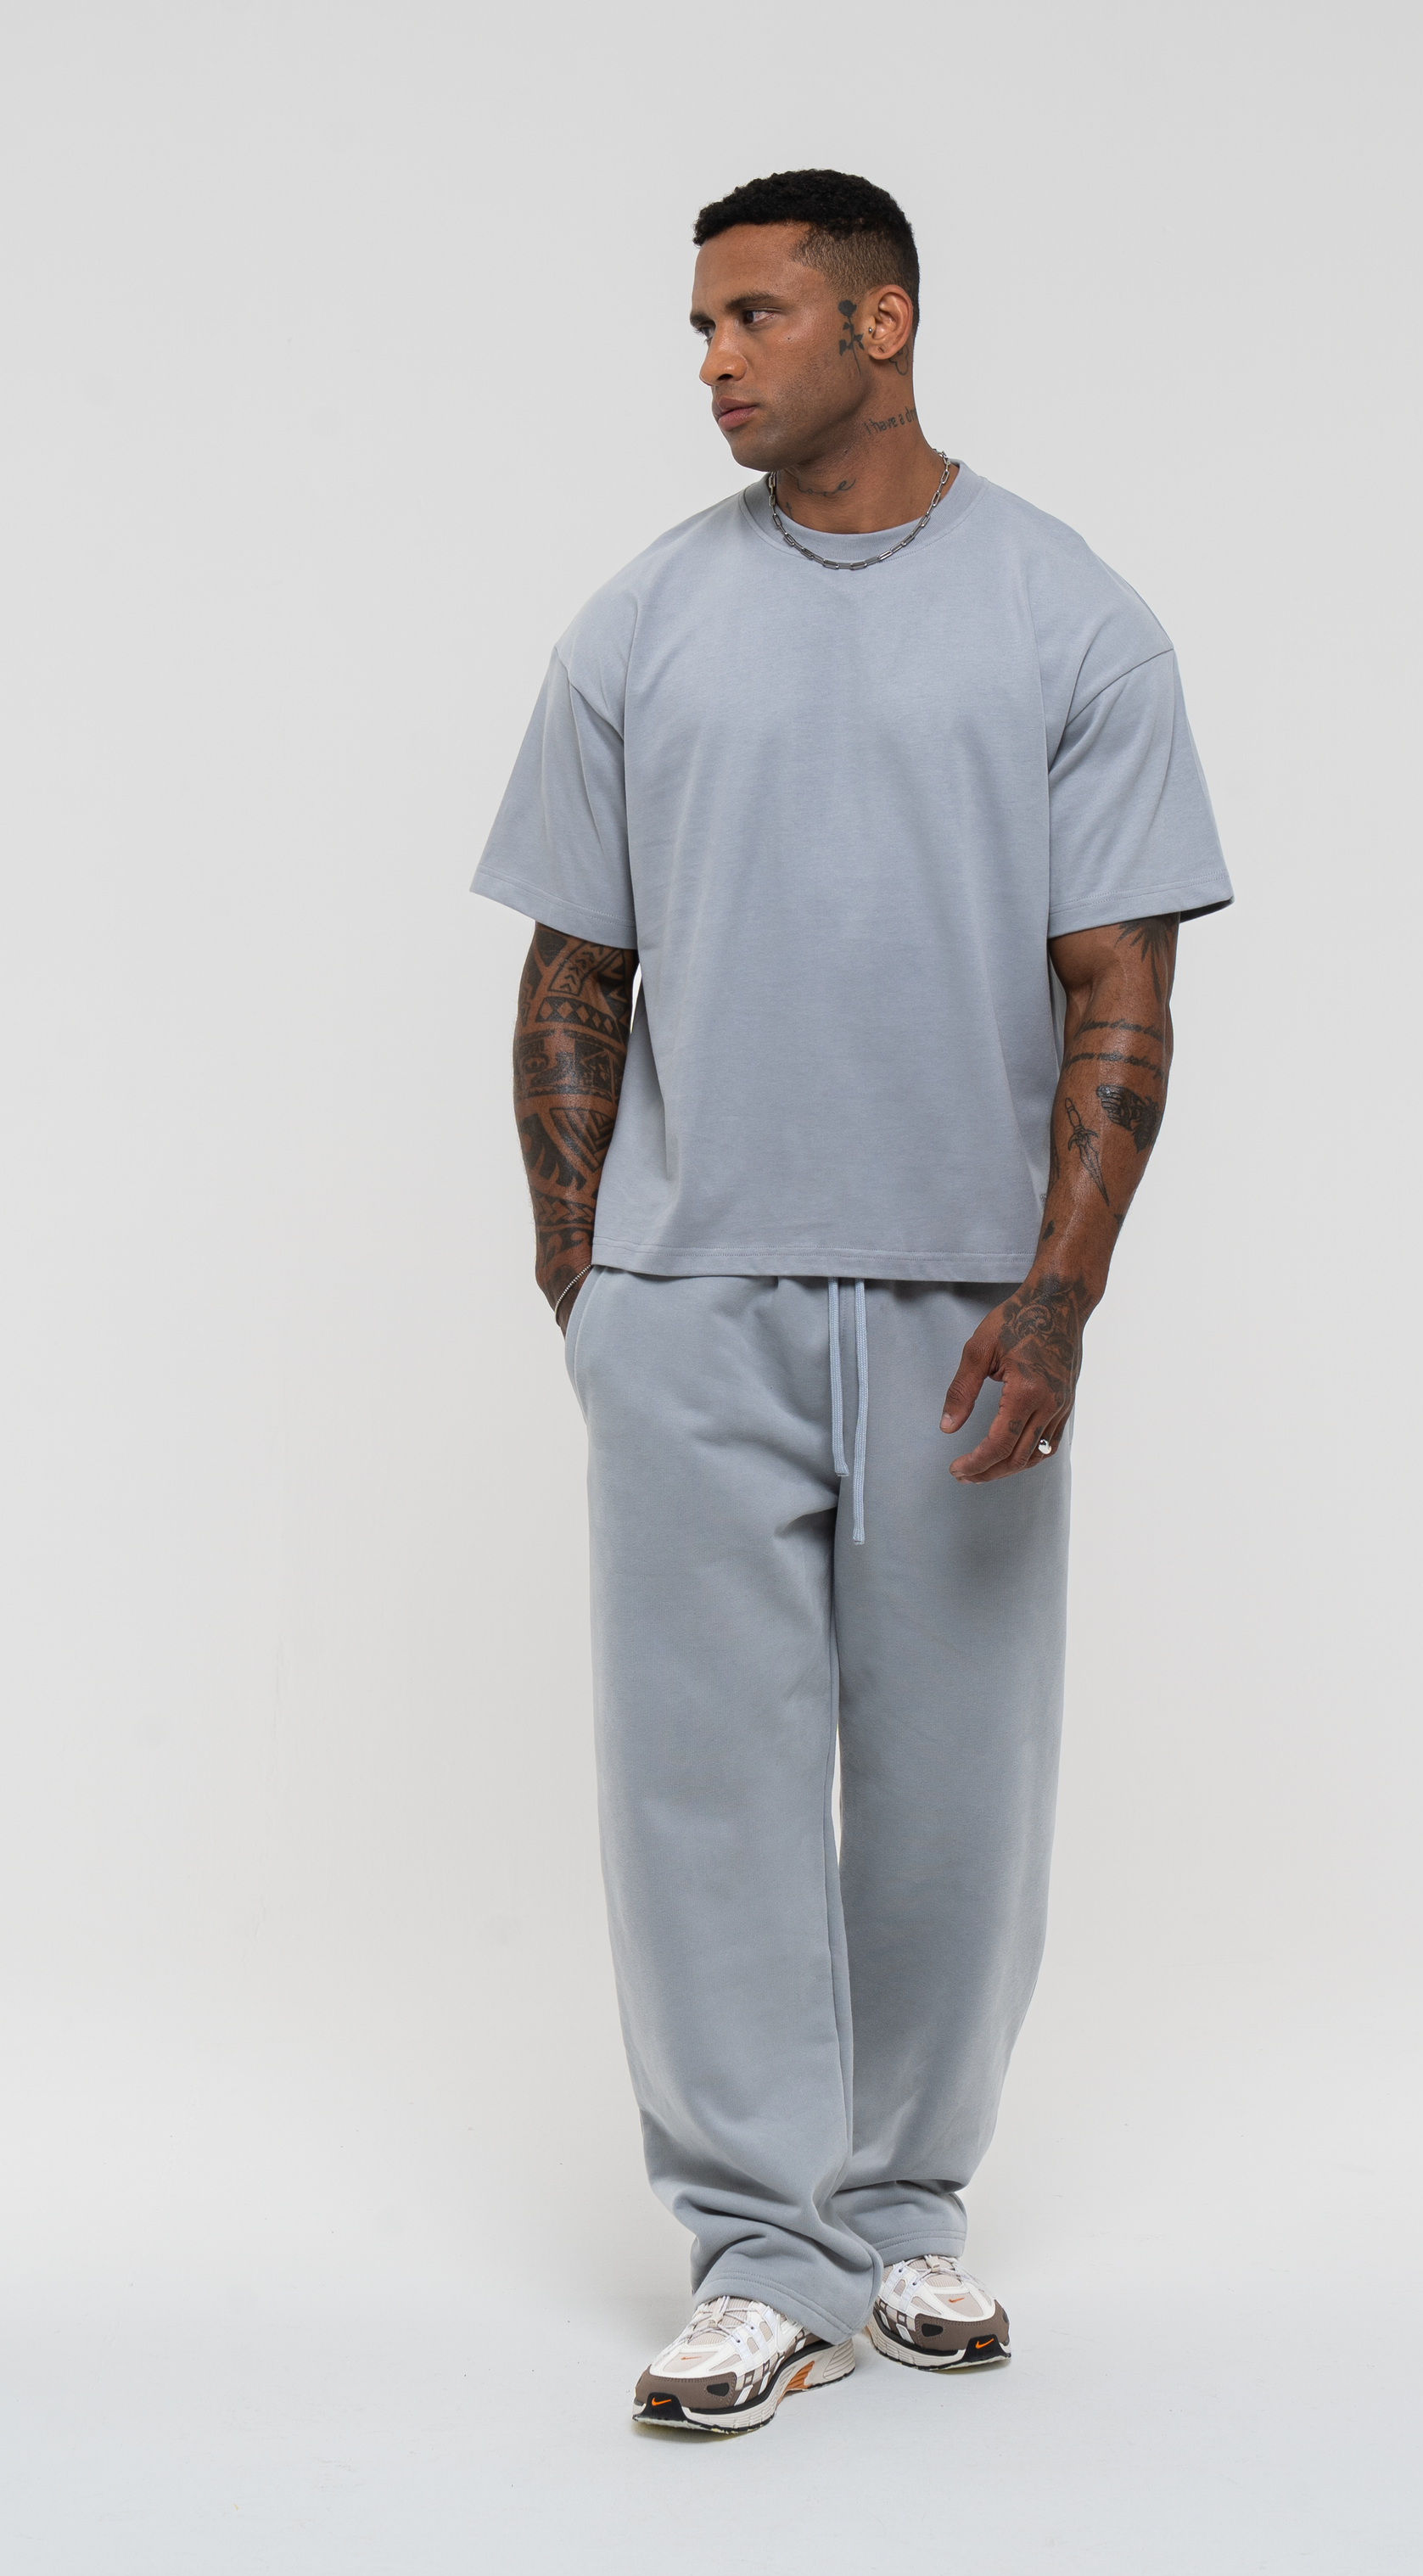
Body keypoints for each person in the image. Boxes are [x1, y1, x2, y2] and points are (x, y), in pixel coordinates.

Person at [472, 168, 1231, 2434]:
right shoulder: (639, 624)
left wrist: (1061, 1297)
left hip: (967, 1313)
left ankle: (901, 2210)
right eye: (701, 327)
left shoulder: (1072, 620)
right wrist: (591, 1285)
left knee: (957, 1787)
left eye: (757, 316)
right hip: (689, 1298)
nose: (716, 360)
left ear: (882, 324)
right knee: (697, 1794)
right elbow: (572, 970)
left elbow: (1122, 991)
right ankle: (754, 2249)